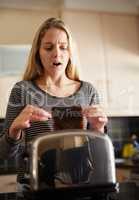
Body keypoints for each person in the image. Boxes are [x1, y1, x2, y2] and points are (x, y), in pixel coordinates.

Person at [0, 17, 108, 193]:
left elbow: (99, 158)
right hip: (34, 189)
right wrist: (14, 129)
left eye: (63, 47)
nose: (57, 53)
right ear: (38, 52)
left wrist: (99, 129)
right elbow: (4, 154)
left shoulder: (88, 91)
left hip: (81, 188)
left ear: (70, 52)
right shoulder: (22, 90)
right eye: (49, 47)